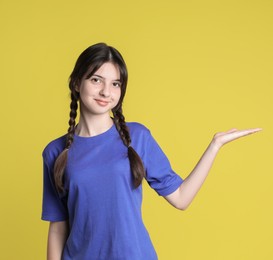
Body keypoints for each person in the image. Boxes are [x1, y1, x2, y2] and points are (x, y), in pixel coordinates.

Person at [41, 42, 261, 260]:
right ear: (77, 83)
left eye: (115, 84)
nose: (106, 92)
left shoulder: (137, 137)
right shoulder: (55, 152)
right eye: (96, 80)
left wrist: (215, 146)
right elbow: (58, 227)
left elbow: (181, 198)